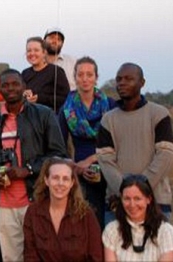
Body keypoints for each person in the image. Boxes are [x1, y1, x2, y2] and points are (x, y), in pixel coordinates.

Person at [0, 69, 67, 261]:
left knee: (43, 254)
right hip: (6, 202)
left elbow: (59, 155)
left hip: (37, 197)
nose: (10, 89)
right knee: (11, 257)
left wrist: (28, 169)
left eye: (15, 84)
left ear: (23, 86)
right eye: (5, 85)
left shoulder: (44, 114)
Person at [97, 63, 173, 224]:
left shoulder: (159, 114)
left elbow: (165, 156)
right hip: (117, 203)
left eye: (128, 79)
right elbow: (105, 161)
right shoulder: (108, 120)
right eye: (118, 79)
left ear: (142, 82)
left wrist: (140, 189)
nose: (122, 83)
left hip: (155, 201)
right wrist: (125, 192)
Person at [58, 56, 116, 228]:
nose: (85, 79)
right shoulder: (67, 108)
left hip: (110, 164)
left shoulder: (110, 105)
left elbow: (118, 141)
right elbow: (59, 144)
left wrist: (90, 160)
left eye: (89, 75)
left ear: (96, 77)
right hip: (81, 171)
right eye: (80, 74)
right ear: (74, 77)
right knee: (88, 220)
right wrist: (74, 166)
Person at [23, 157, 103, 261]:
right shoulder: (33, 213)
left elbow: (96, 257)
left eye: (65, 179)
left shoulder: (86, 214)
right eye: (55, 178)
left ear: (72, 183)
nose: (60, 183)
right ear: (46, 180)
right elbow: (30, 256)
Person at [102, 174, 173, 261]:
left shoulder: (166, 231)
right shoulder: (112, 230)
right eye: (127, 199)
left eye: (137, 199)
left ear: (148, 199)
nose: (132, 205)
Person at [22, 36, 70, 113]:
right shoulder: (24, 73)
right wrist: (24, 94)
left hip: (52, 118)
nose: (32, 53)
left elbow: (66, 98)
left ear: (44, 52)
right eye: (29, 51)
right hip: (29, 118)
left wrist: (40, 98)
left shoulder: (56, 71)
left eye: (36, 50)